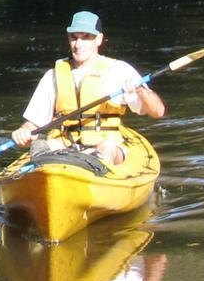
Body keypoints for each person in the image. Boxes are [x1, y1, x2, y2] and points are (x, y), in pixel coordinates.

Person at [11, 11, 165, 165]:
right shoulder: (53, 76)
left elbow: (158, 111)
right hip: (64, 146)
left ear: (98, 39)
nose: (78, 45)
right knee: (41, 145)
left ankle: (94, 170)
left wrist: (141, 91)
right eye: (74, 37)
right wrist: (24, 132)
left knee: (108, 146)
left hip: (104, 146)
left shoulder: (119, 71)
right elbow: (32, 124)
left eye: (85, 38)